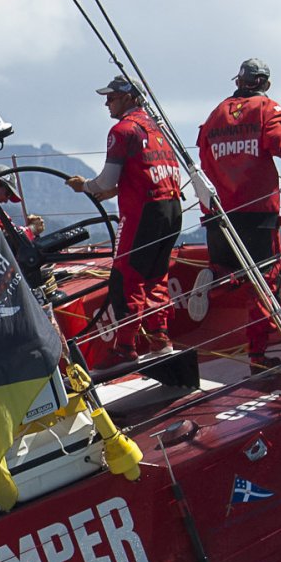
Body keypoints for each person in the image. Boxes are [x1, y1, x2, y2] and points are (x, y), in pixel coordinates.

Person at [197, 58, 281, 370]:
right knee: (265, 282)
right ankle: (257, 357)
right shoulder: (268, 108)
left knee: (230, 270)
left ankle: (215, 279)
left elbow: (203, 153)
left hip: (220, 212)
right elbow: (279, 144)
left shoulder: (216, 114)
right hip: (258, 213)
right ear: (266, 84)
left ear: (238, 82)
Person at [67, 76, 184, 357]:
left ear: (129, 98)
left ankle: (124, 347)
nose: (107, 103)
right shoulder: (159, 128)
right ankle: (160, 338)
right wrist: (118, 189)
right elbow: (147, 171)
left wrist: (85, 186)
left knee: (125, 276)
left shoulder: (122, 130)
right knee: (156, 275)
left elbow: (106, 180)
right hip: (172, 208)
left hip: (143, 212)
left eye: (112, 97)